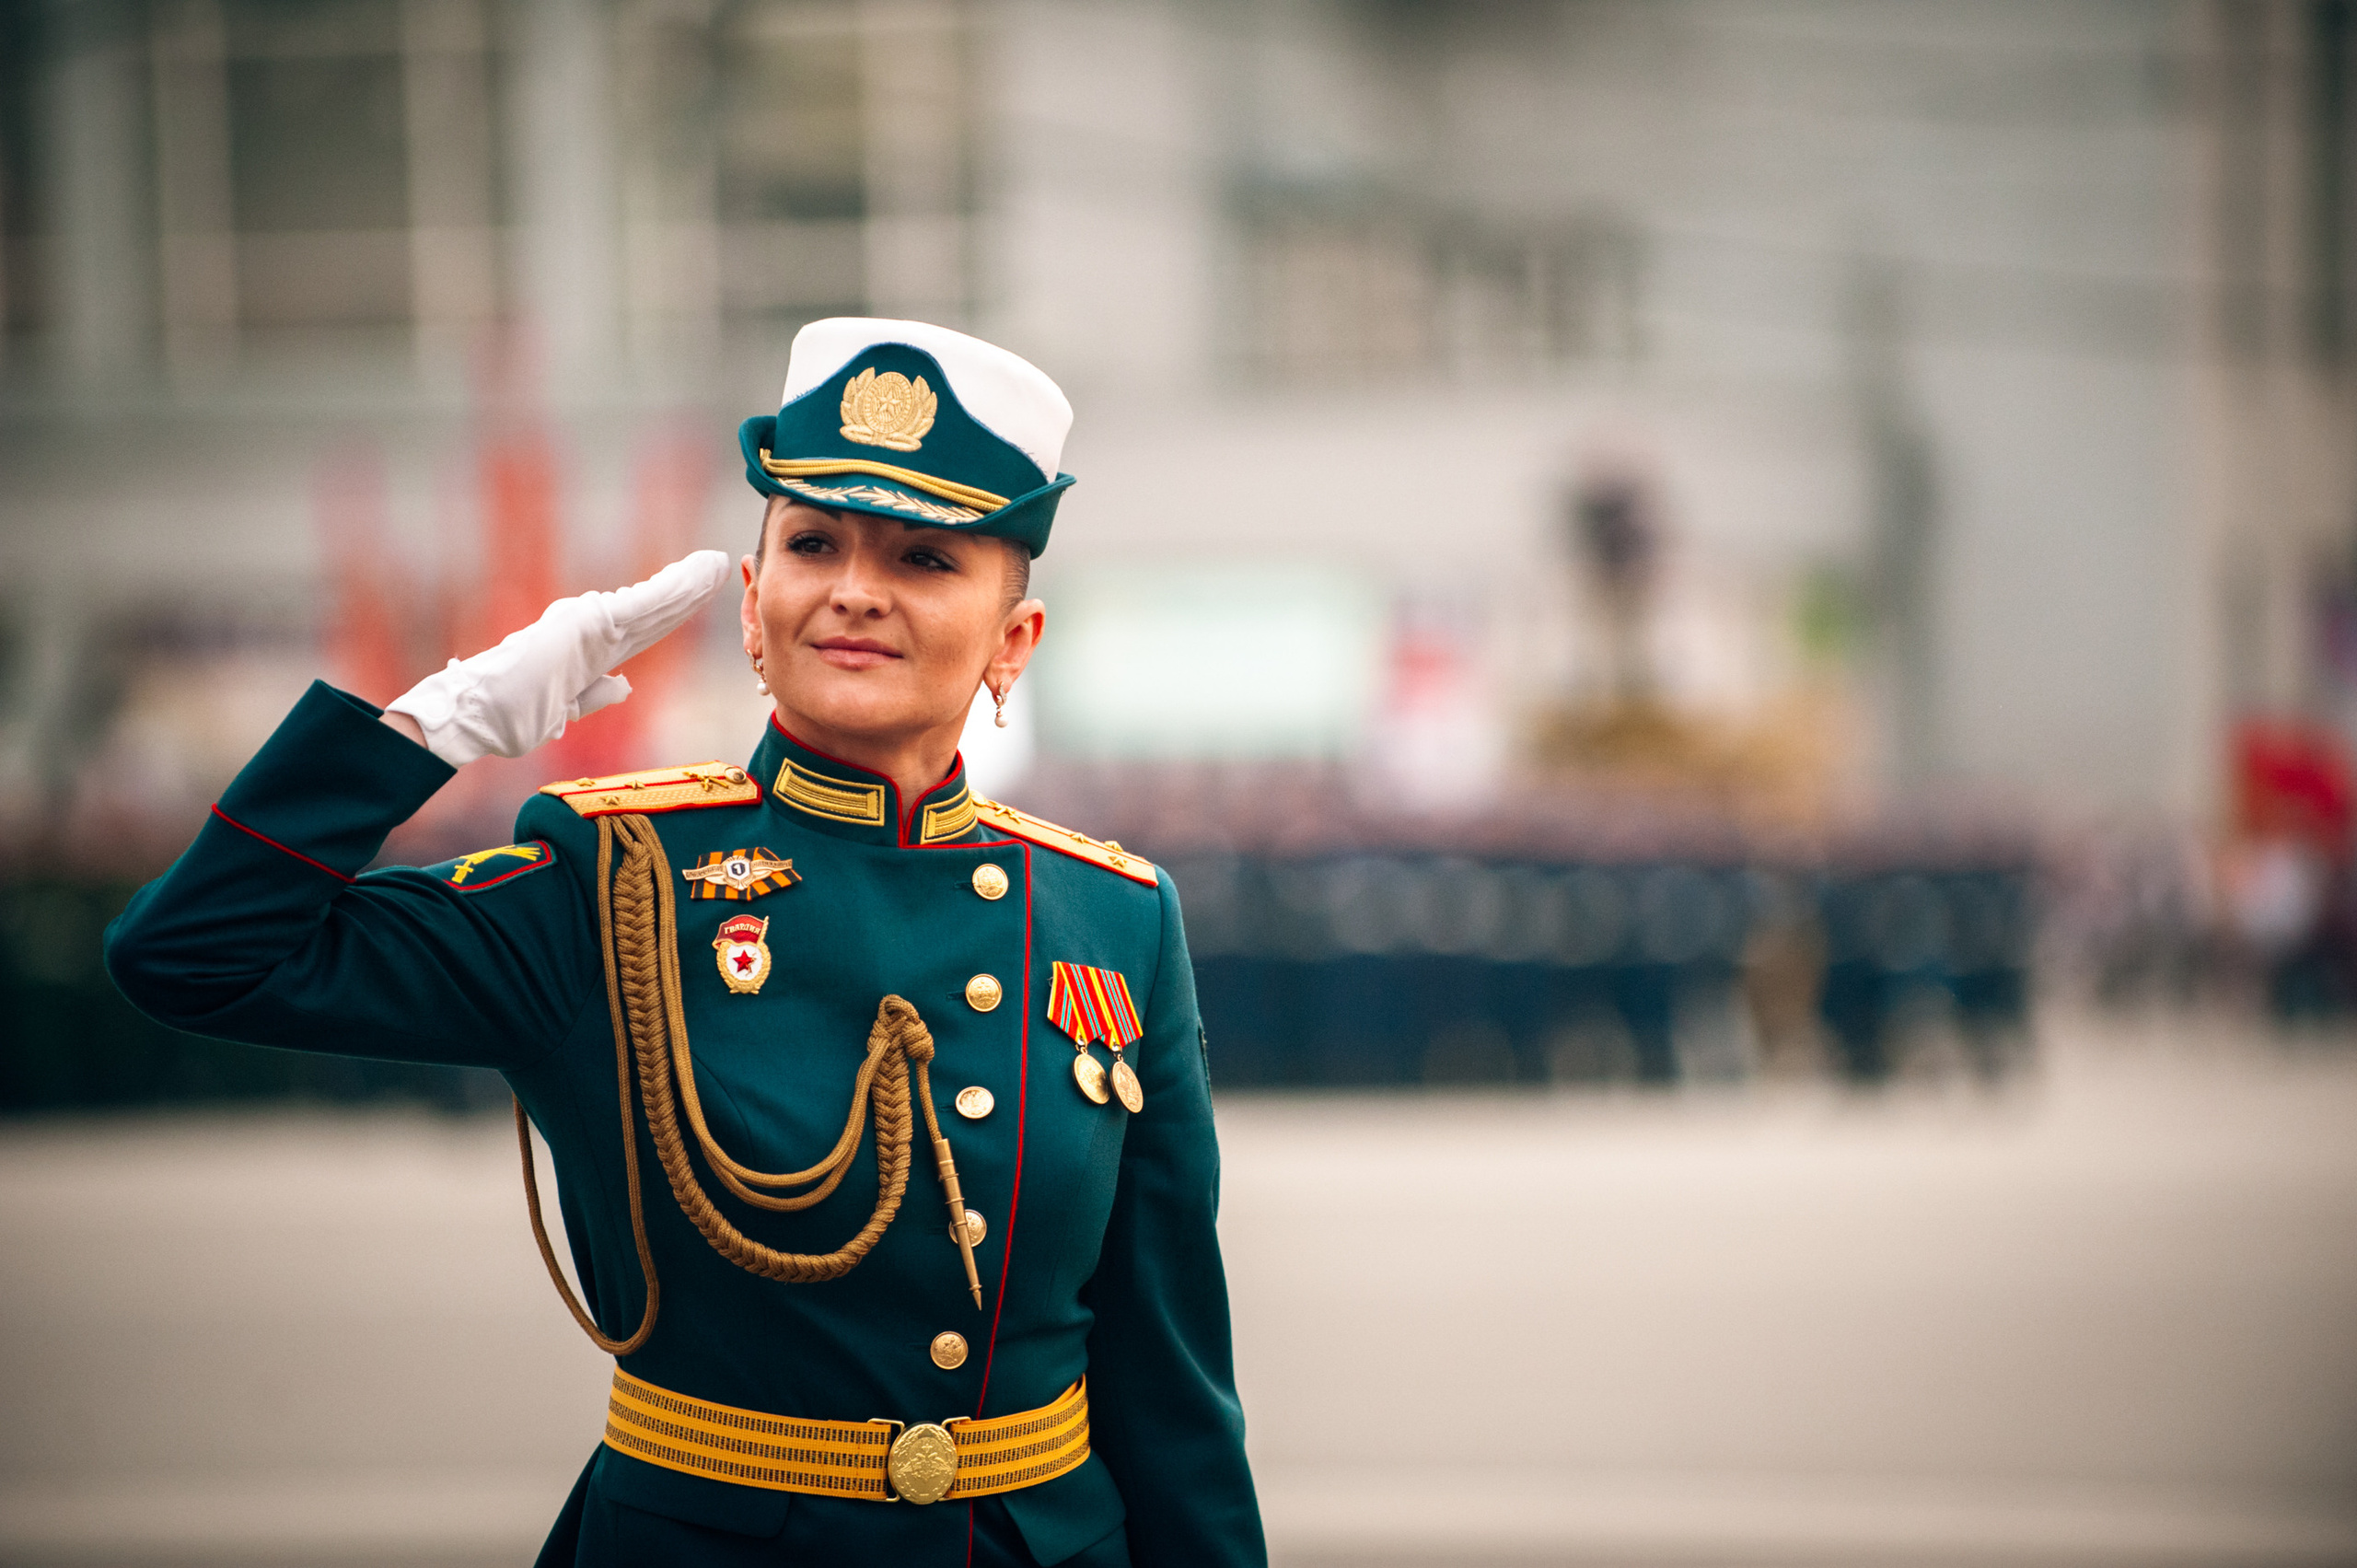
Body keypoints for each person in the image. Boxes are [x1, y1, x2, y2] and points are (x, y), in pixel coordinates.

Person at [103, 319, 1265, 1568]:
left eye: (925, 559)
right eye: (814, 544)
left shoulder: (1111, 915)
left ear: (1011, 642)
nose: (857, 589)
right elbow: (192, 953)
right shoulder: (612, 878)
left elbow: (1169, 1379)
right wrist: (425, 728)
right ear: (755, 607)